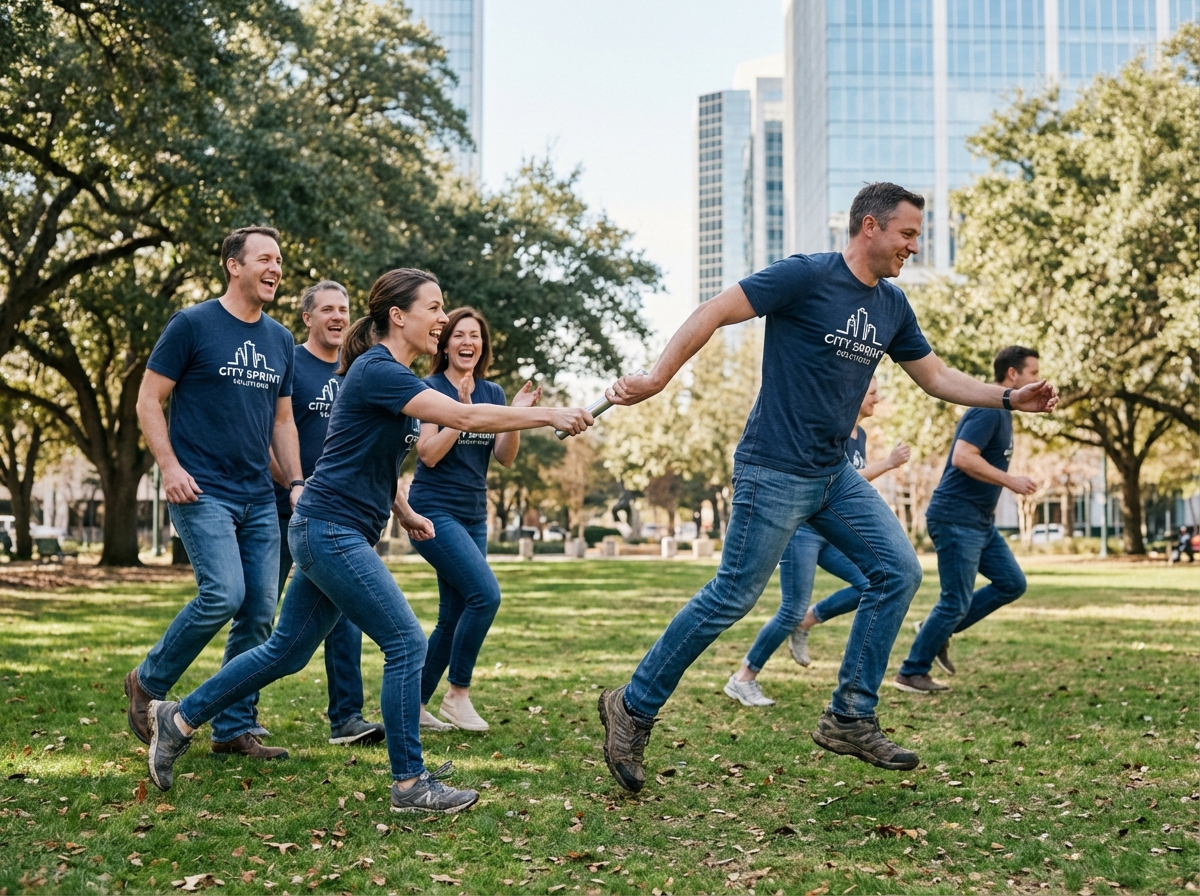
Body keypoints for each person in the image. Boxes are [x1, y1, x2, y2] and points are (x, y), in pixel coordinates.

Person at [596, 182, 1058, 791]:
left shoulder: (892, 306)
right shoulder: (804, 276)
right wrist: (658, 377)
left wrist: (1008, 397)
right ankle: (632, 705)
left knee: (898, 571)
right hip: (773, 467)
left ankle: (849, 714)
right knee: (732, 597)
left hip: (833, 473)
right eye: (907, 234)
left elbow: (936, 376)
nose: (913, 246)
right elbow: (713, 311)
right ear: (870, 226)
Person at [142, 268, 592, 815]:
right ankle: (409, 784)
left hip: (336, 528)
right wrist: (546, 413)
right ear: (398, 316)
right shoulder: (379, 370)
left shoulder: (392, 375)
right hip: (329, 528)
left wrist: (403, 510)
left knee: (285, 652)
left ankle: (178, 717)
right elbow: (464, 414)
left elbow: (365, 458)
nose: (444, 319)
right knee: (406, 643)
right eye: (435, 307)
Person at [127, 226, 302, 760]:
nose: (275, 269)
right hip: (201, 488)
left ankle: (231, 727)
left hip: (256, 495)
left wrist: (294, 483)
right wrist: (170, 467)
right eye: (265, 259)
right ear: (233, 265)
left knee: (258, 612)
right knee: (223, 593)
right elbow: (148, 401)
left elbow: (283, 421)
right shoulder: (192, 324)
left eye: (279, 261)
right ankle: (147, 681)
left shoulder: (280, 340)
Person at [723, 377, 910, 707]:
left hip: (832, 534)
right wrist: (888, 464)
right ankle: (743, 678)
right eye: (872, 393)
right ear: (853, 392)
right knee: (790, 608)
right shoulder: (831, 431)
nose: (878, 400)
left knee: (871, 581)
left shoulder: (860, 435)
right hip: (803, 532)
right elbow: (837, 479)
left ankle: (810, 620)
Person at [407, 308, 540, 733]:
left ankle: (412, 706)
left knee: (454, 613)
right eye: (459, 335)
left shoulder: (494, 392)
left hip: (473, 514)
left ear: (482, 346)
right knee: (485, 595)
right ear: (445, 344)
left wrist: (515, 414)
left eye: (475, 336)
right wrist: (460, 411)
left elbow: (504, 456)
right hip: (433, 511)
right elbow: (427, 453)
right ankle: (457, 694)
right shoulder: (429, 389)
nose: (468, 342)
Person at [269, 280, 386, 745]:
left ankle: (346, 718)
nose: (338, 317)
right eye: (328, 310)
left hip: (339, 516)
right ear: (308, 318)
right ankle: (239, 718)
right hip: (281, 509)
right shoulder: (290, 363)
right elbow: (266, 434)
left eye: (344, 309)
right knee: (263, 615)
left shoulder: (355, 370)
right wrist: (293, 486)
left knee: (346, 617)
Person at [893, 346, 1042, 692]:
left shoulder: (1004, 414)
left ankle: (935, 629)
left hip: (980, 522)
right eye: (1033, 373)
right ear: (1012, 374)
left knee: (1012, 583)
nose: (1038, 378)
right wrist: (1011, 480)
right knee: (955, 601)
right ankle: (911, 672)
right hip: (955, 517)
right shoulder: (988, 411)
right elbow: (962, 457)